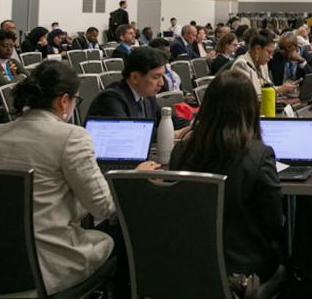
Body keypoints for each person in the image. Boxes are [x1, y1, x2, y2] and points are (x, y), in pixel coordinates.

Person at [0, 61, 159, 296]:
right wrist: (132, 175)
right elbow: (104, 208)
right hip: (46, 265)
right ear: (63, 101)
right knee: (127, 236)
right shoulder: (71, 137)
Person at [170, 70, 283, 283]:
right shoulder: (259, 155)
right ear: (251, 108)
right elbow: (274, 222)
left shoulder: (181, 150)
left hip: (189, 261)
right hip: (244, 268)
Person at [88, 47, 190, 132]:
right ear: (135, 77)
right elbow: (130, 134)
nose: (161, 83)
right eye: (156, 77)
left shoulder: (147, 97)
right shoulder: (111, 99)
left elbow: (169, 120)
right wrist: (174, 135)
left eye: (162, 76)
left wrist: (194, 125)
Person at [231, 30, 296, 97]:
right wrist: (279, 90)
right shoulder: (241, 65)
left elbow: (269, 88)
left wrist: (284, 89)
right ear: (258, 49)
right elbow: (250, 96)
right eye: (269, 52)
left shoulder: (263, 64)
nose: (271, 57)